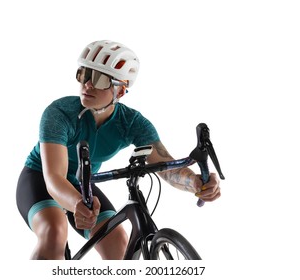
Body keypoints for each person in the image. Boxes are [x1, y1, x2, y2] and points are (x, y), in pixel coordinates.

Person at [16, 40, 221, 260]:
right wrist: (76, 202)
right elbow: (54, 177)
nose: (87, 84)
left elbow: (164, 165)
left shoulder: (131, 122)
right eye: (84, 74)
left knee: (120, 244)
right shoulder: (59, 113)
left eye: (100, 79)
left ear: (121, 91)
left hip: (82, 182)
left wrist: (195, 183)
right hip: (40, 179)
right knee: (54, 232)